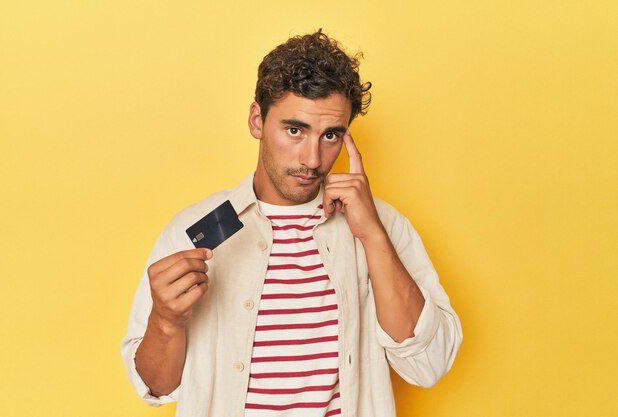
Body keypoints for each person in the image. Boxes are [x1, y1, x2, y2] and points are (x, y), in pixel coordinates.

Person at [121, 30, 462, 417]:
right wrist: (166, 322)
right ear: (257, 120)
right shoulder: (193, 229)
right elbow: (156, 387)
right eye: (295, 130)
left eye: (330, 135)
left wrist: (372, 235)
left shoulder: (383, 226)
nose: (313, 159)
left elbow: (430, 364)